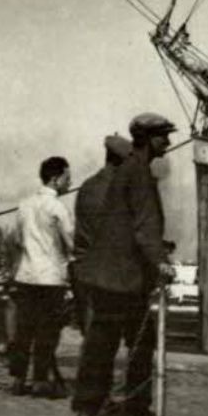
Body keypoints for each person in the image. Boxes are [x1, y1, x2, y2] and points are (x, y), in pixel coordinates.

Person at [72, 119, 173, 416]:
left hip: (106, 275)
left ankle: (89, 408)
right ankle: (136, 411)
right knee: (141, 345)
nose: (168, 144)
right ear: (149, 140)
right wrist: (161, 262)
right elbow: (144, 226)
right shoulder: (140, 173)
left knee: (101, 343)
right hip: (127, 278)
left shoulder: (123, 172)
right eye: (163, 138)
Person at [6, 156, 74, 399]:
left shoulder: (24, 204)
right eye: (67, 177)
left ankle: (17, 378)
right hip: (51, 278)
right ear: (55, 180)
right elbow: (72, 241)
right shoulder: (59, 208)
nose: (70, 181)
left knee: (23, 330)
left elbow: (15, 239)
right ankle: (40, 380)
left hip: (25, 275)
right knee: (47, 331)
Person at [71, 133, 134, 332]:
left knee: (90, 327)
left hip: (84, 267)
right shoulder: (123, 188)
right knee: (106, 331)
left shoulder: (87, 186)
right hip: (112, 271)